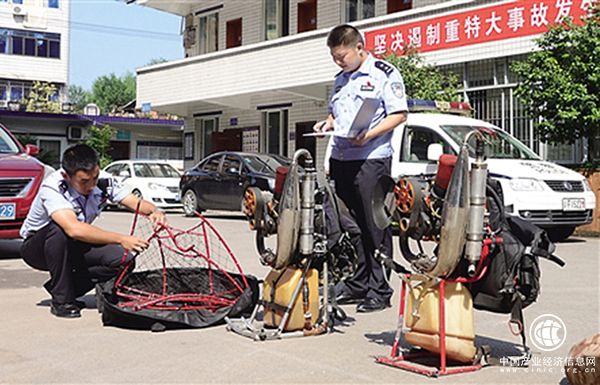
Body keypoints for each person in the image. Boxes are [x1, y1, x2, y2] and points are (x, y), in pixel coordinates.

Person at [314, 24, 408, 312]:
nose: (339, 62)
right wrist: (327, 123)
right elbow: (336, 112)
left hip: (371, 158)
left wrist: (369, 134)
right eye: (334, 57)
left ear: (359, 47)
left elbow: (400, 114)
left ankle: (379, 289)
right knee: (351, 225)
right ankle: (358, 282)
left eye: (342, 56)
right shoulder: (340, 79)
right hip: (342, 157)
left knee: (374, 224)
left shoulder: (384, 73)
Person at [20, 144, 167, 318]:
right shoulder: (53, 186)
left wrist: (155, 211)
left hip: (75, 243)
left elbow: (134, 202)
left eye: (94, 179)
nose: (91, 185)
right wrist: (121, 238)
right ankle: (62, 301)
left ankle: (66, 288)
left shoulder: (104, 181)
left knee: (123, 259)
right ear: (67, 176)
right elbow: (73, 229)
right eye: (83, 181)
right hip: (39, 248)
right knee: (59, 228)